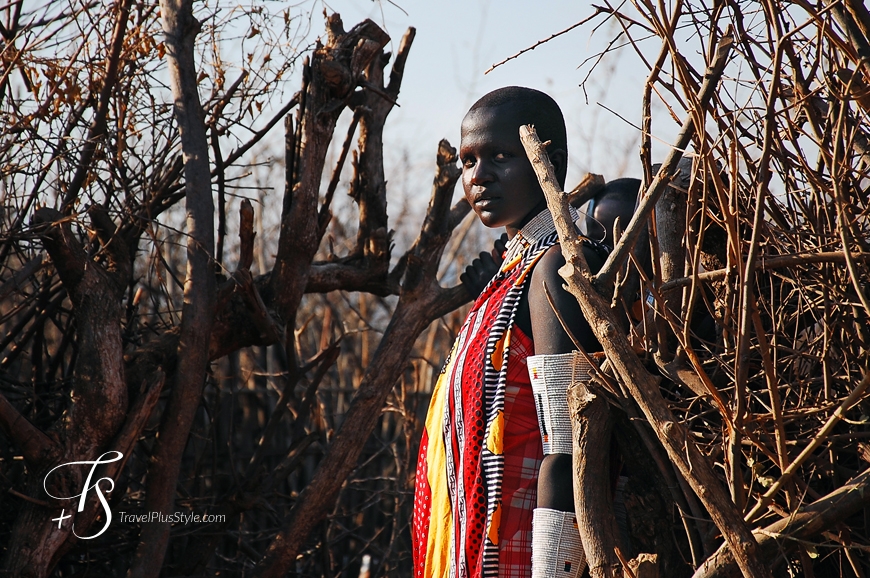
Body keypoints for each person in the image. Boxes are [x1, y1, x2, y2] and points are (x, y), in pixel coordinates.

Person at [412, 87, 608, 578]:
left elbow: (570, 447)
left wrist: (555, 570)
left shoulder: (557, 264)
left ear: (550, 162)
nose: (479, 176)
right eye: (468, 160)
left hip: (527, 556)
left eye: (501, 156)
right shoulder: (515, 268)